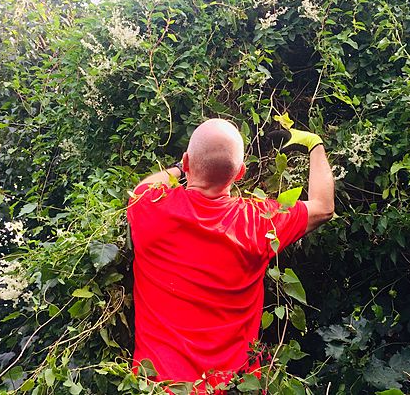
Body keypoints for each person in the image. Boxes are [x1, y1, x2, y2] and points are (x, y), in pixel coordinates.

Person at [126, 118, 334, 388]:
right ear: (241, 173)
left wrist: (179, 168)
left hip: (158, 388)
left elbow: (144, 188)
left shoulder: (151, 207)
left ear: (188, 163)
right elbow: (323, 207)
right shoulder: (260, 221)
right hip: (235, 387)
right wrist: (314, 144)